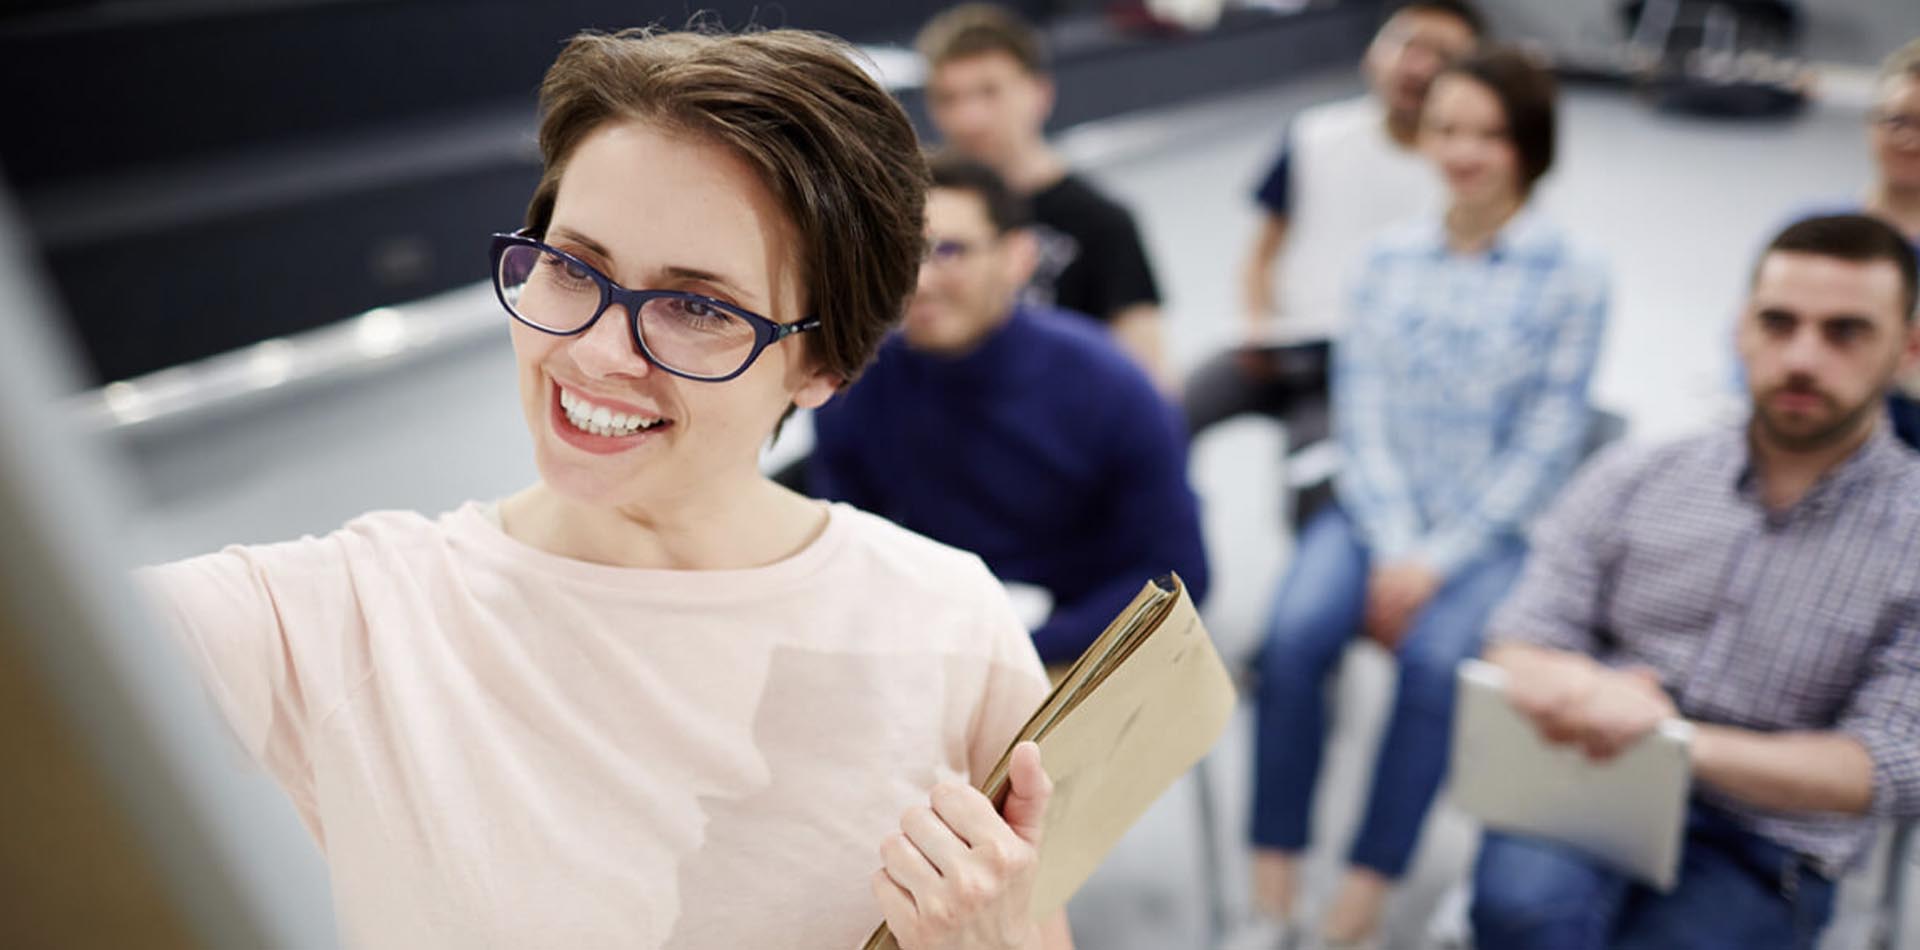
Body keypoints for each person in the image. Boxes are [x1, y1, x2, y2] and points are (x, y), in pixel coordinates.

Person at [135, 28, 1074, 950]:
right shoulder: (339, 625)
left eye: (697, 306)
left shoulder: (949, 623)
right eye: (571, 266)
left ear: (825, 361)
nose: (592, 351)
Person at [1239, 48, 1608, 948]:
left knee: (1438, 668)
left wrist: (1435, 559)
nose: (1464, 152)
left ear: (1529, 143)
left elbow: (1549, 442)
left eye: (1489, 133)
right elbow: (1358, 415)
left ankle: (1362, 896)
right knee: (1288, 639)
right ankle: (1272, 888)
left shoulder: (1574, 275)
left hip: (1495, 536)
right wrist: (1399, 540)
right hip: (1377, 513)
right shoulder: (1384, 262)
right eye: (1447, 130)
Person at [1470, 213, 1920, 950]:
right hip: (1590, 778)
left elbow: (1890, 765)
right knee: (1525, 915)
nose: (1803, 356)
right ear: (1742, 328)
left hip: (1766, 842)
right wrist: (1587, 690)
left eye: (1845, 332)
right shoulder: (1639, 475)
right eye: (1780, 323)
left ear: (1908, 349)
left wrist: (1675, 740)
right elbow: (1520, 636)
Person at [809, 154, 1209, 666]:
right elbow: (850, 555)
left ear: (1018, 257)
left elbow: (1176, 572)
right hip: (939, 644)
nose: (919, 280)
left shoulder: (1107, 383)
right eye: (901, 253)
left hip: (1084, 646)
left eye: (948, 251)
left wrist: (1019, 650)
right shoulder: (856, 384)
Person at [1182, 0, 1483, 441]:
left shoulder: (1463, 171)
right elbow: (1262, 253)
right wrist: (1255, 326)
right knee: (1165, 414)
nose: (1418, 67)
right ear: (1374, 50)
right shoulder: (1313, 136)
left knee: (1314, 461)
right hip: (1280, 340)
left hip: (1373, 367)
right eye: (1407, 44)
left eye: (1442, 54)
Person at [916, 3, 1171, 389]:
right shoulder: (915, 218)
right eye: (949, 99)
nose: (969, 118)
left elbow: (1148, 379)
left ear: (1039, 93)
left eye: (989, 92)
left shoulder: (1101, 223)